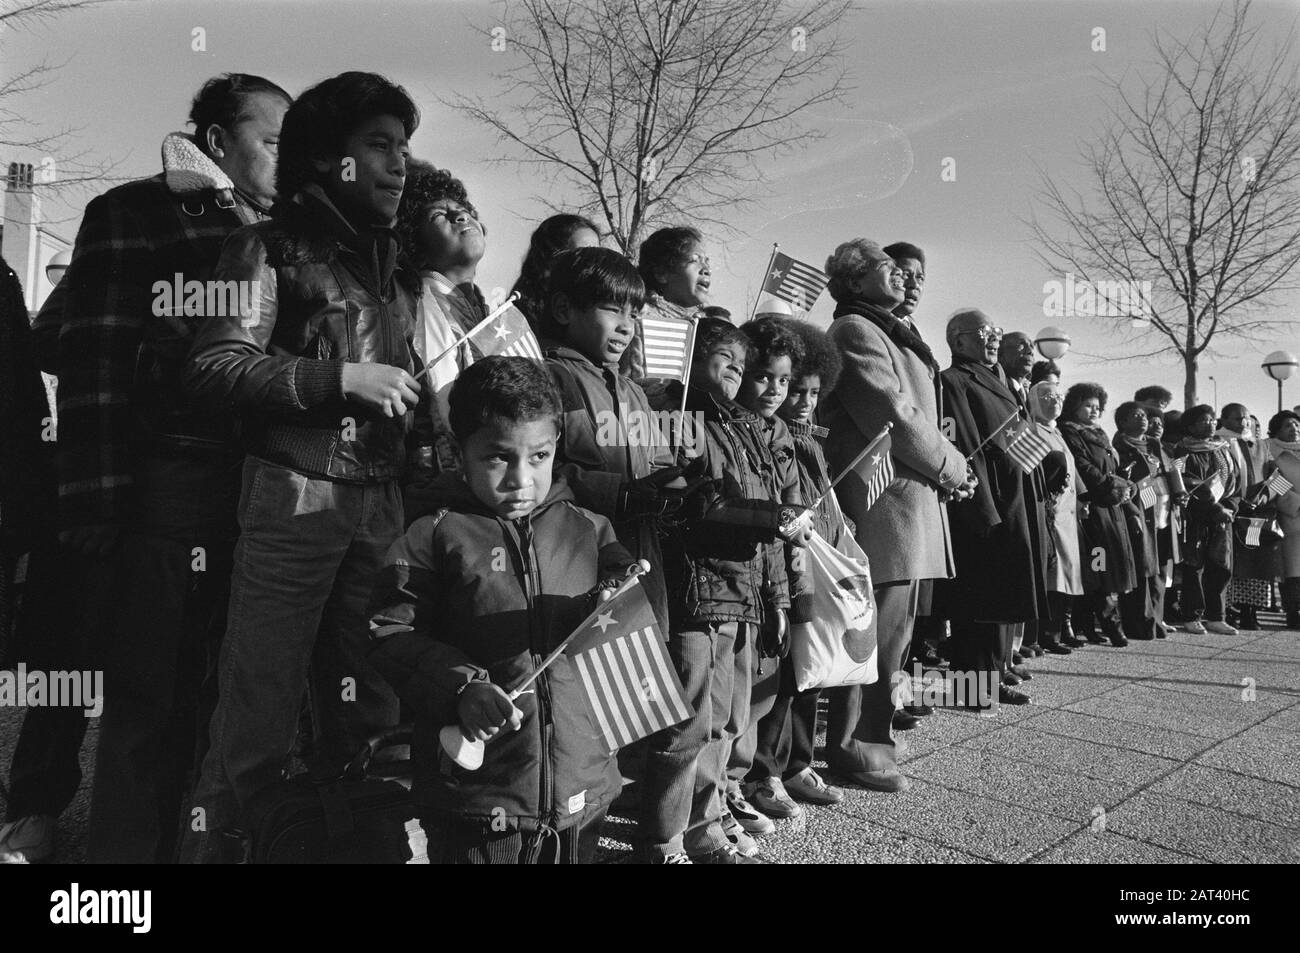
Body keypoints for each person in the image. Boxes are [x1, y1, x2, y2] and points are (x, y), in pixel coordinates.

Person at [43, 74, 292, 864]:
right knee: (147, 701)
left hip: (261, 498)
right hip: (168, 488)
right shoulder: (134, 210)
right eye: (273, 140)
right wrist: (95, 503)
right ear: (219, 141)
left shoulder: (291, 235)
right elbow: (93, 363)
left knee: (227, 705)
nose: (288, 159)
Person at [182, 72, 422, 862]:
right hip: (293, 493)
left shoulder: (394, 269)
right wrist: (336, 381)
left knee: (376, 716)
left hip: (379, 507)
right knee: (256, 719)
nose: (399, 165)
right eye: (378, 146)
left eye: (405, 147)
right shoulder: (264, 247)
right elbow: (214, 366)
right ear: (325, 160)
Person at [366, 357, 632, 863]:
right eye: (498, 457)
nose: (520, 479)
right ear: (457, 451)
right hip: (478, 796)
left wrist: (619, 586)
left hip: (583, 788)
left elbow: (622, 611)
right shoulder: (434, 533)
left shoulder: (589, 529)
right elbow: (386, 631)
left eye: (539, 456)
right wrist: (461, 686)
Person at [640, 317, 801, 864]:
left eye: (741, 362)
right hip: (698, 591)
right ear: (689, 361)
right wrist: (770, 516)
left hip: (744, 592)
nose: (735, 370)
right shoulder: (681, 418)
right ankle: (667, 836)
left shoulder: (749, 428)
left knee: (731, 718)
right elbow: (689, 503)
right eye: (724, 359)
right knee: (691, 724)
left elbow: (773, 529)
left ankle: (709, 815)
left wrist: (777, 596)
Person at [819, 239, 972, 781]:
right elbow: (896, 416)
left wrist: (944, 471)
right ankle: (856, 746)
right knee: (875, 636)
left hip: (904, 506)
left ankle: (871, 737)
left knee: (894, 635)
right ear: (856, 282)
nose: (906, 279)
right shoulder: (856, 332)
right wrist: (952, 466)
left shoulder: (888, 330)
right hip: (882, 508)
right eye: (891, 270)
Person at [746, 318, 847, 808]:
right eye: (794, 390)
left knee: (811, 671)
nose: (803, 401)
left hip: (817, 564)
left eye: (811, 392)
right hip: (786, 564)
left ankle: (798, 761)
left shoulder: (813, 439)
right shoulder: (779, 436)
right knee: (783, 676)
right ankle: (765, 769)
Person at [938, 309, 1049, 712]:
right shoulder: (953, 381)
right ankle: (971, 688)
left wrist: (1043, 472)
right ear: (958, 340)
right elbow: (964, 445)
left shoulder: (996, 381)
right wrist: (981, 506)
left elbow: (1017, 438)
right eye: (983, 332)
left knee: (1003, 595)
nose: (991, 338)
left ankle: (997, 674)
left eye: (995, 331)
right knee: (978, 603)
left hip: (1016, 498)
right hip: (986, 504)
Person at [723, 317, 807, 843]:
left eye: (783, 380)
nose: (774, 390)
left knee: (762, 688)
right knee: (730, 701)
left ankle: (740, 778)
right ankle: (723, 789)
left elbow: (793, 500)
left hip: (776, 572)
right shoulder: (727, 424)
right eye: (763, 377)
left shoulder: (780, 432)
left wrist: (800, 528)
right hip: (737, 573)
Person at [393, 161, 488, 483]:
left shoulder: (481, 306)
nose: (460, 216)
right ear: (414, 241)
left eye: (462, 209)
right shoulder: (425, 305)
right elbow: (441, 408)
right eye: (438, 215)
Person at [1060, 383, 1137, 647]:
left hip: (1110, 511)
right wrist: (1112, 487)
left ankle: (1098, 622)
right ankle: (1104, 623)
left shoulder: (1100, 434)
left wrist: (1124, 485)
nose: (1094, 411)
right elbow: (1083, 466)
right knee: (1097, 566)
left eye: (1097, 407)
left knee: (1106, 569)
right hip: (1092, 511)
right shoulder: (1070, 432)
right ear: (1075, 406)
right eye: (1088, 406)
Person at [998, 330, 1052, 665]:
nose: (1027, 352)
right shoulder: (1001, 389)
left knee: (1026, 575)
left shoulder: (1021, 393)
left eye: (1030, 347)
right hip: (1008, 495)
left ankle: (1012, 653)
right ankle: (1000, 659)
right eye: (1018, 347)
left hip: (1030, 493)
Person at [1172, 405, 1241, 635]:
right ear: (1190, 426)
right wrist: (1213, 508)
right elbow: (1184, 481)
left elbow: (1236, 482)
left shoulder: (1224, 449)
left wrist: (1230, 506)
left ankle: (1216, 616)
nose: (1210, 424)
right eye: (1203, 420)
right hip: (1196, 517)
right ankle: (1192, 615)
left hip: (1224, 518)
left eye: (1212, 420)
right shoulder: (1181, 451)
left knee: (1221, 566)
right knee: (1194, 567)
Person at [1027, 380, 1084, 652]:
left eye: (1058, 396)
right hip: (1051, 511)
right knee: (1053, 575)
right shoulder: (1033, 431)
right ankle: (1047, 634)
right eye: (1046, 396)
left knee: (1067, 572)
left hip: (1068, 514)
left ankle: (1061, 628)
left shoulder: (1057, 433)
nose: (1054, 400)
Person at [624, 226, 711, 399]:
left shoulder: (703, 325)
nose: (706, 269)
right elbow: (637, 384)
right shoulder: (642, 319)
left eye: (707, 261)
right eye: (694, 261)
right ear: (662, 273)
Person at [1111, 402, 1163, 640]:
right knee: (1139, 565)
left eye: (1144, 415)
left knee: (1154, 567)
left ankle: (1156, 620)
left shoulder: (1153, 446)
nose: (1142, 419)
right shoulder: (1120, 447)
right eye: (1135, 415)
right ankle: (1138, 623)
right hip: (1133, 509)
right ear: (1122, 422)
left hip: (1154, 508)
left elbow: (1163, 476)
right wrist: (1131, 510)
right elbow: (1119, 482)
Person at [510, 213, 601, 340]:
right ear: (550, 260)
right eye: (584, 255)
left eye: (598, 256)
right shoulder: (517, 320)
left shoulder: (601, 313)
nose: (594, 265)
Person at [1263, 410, 1300, 627]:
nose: (1294, 429)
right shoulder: (1270, 450)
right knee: (1292, 569)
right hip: (1290, 516)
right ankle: (1293, 612)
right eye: (1288, 425)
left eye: (1296, 424)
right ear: (1276, 429)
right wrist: (1294, 502)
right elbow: (1273, 480)